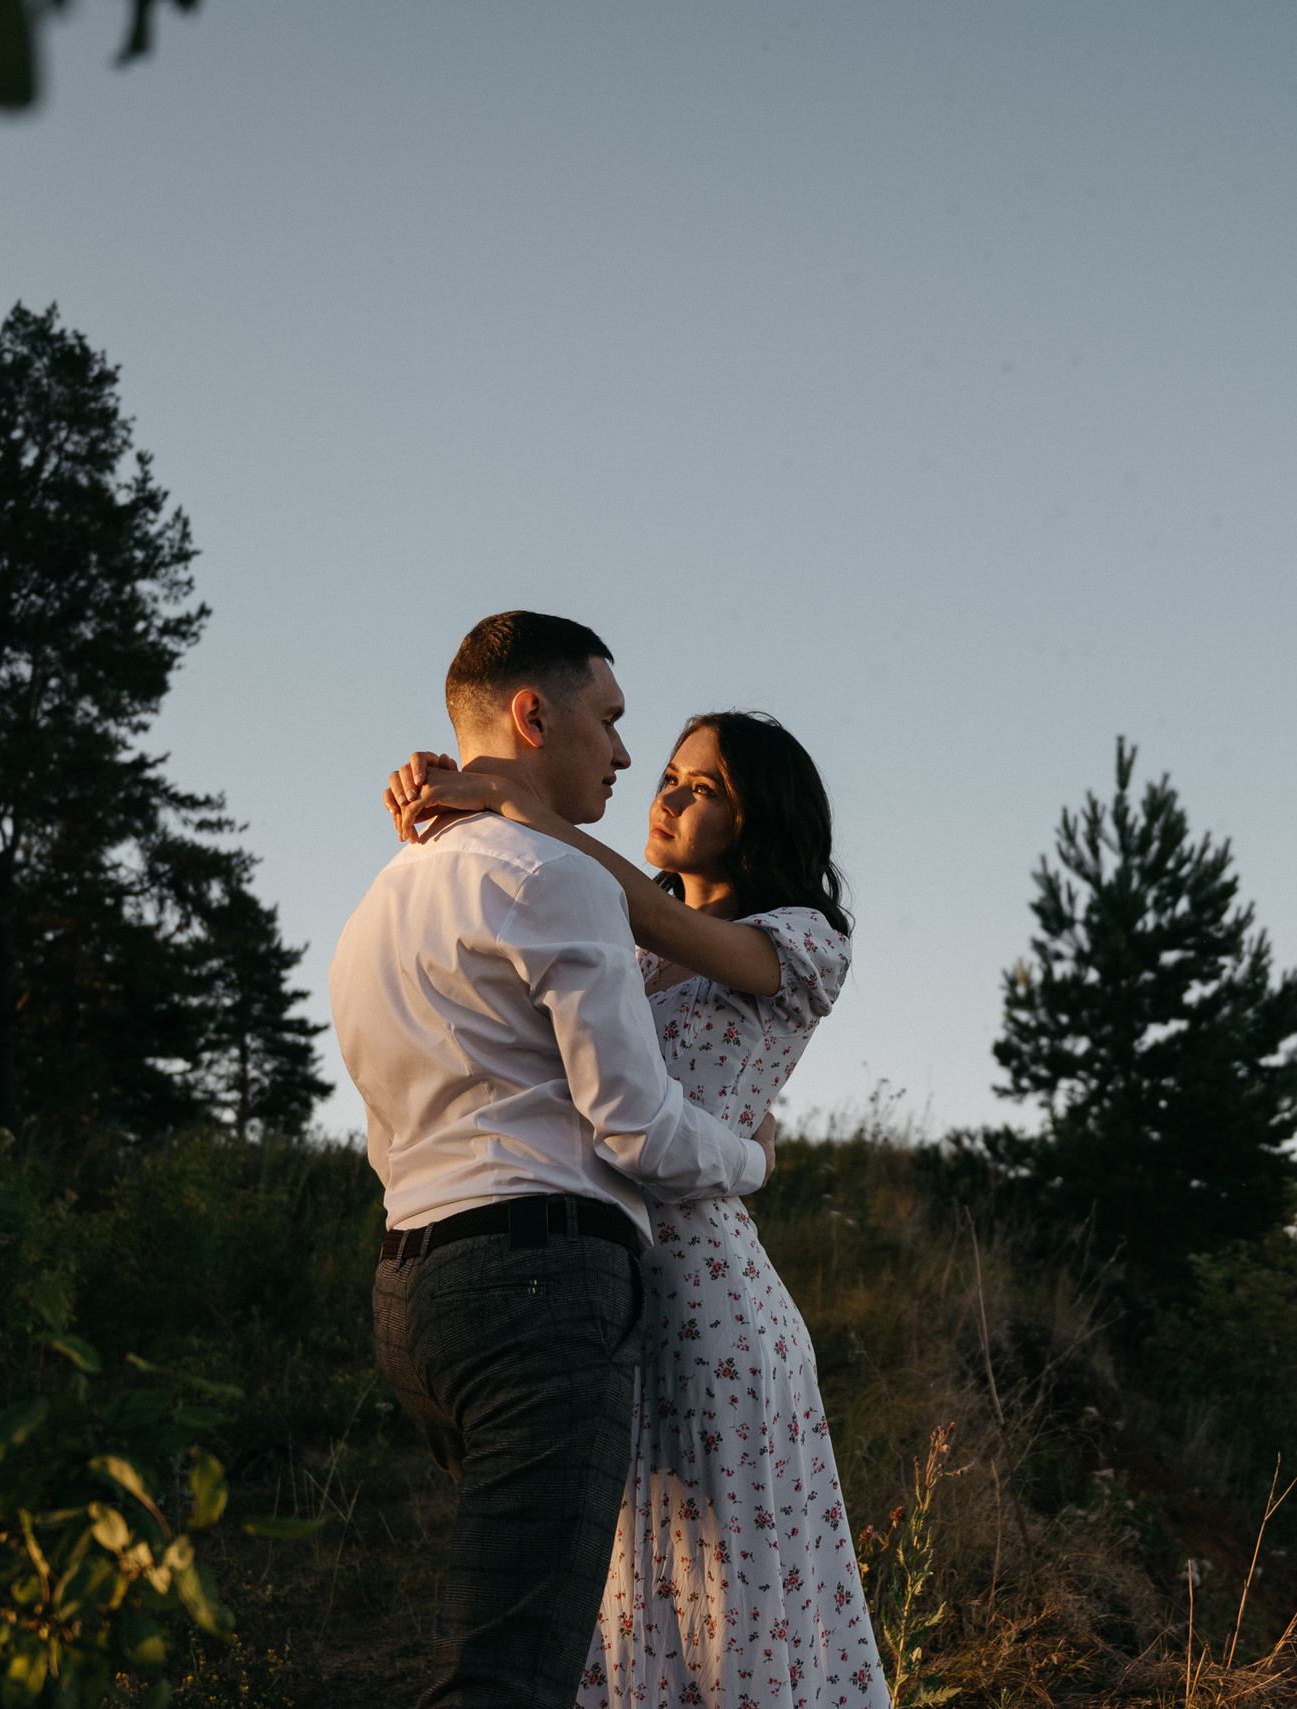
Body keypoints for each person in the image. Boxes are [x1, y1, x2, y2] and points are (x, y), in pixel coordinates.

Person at [385, 709, 888, 1709]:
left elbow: (666, 925)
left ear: (759, 819)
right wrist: (453, 798)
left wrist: (523, 804)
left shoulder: (801, 941)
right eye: (667, 772)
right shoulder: (616, 923)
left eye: (704, 788)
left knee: (725, 1589)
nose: (666, 794)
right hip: (595, 1268)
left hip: (712, 1308)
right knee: (619, 1578)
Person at [331, 612, 776, 1709]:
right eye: (613, 720)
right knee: (512, 1674)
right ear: (535, 714)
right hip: (541, 1284)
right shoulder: (553, 876)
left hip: (410, 1293)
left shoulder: (378, 901)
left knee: (512, 1631)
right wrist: (750, 1155)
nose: (625, 755)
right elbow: (636, 1128)